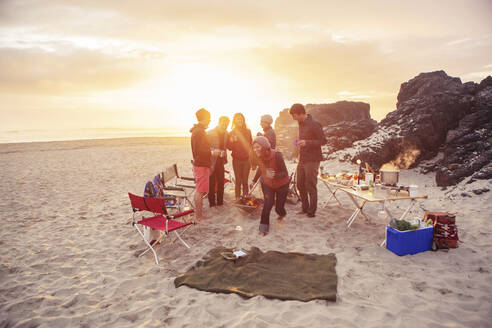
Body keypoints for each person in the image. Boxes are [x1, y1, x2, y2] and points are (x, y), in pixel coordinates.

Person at [289, 103, 327, 217]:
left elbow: (323, 141)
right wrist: (297, 143)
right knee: (300, 184)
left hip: (313, 159)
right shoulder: (300, 123)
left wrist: (307, 142)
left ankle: (311, 211)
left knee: (310, 185)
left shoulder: (315, 124)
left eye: (294, 115)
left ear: (301, 113)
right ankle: (304, 208)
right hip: (302, 159)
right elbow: (301, 140)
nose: (293, 118)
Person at [250, 136, 289, 236]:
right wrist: (254, 180)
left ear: (264, 146)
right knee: (268, 204)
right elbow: (260, 169)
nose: (255, 150)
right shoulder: (259, 157)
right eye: (254, 148)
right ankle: (263, 229)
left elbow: (285, 172)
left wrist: (275, 175)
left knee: (279, 207)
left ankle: (281, 213)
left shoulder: (277, 155)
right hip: (268, 184)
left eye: (258, 147)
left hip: (282, 184)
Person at [190, 108, 220, 220]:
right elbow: (199, 150)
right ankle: (199, 217)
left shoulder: (198, 130)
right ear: (205, 118)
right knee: (200, 191)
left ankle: (199, 215)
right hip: (200, 164)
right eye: (209, 118)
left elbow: (201, 148)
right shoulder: (199, 132)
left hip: (201, 163)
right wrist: (212, 152)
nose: (210, 120)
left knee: (200, 190)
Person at [227, 113, 253, 201]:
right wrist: (232, 141)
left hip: (247, 160)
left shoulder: (248, 131)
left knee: (245, 181)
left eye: (241, 119)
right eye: (238, 119)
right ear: (235, 121)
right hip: (236, 160)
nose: (240, 120)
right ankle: (237, 198)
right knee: (238, 180)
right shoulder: (232, 132)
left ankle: (246, 197)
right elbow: (229, 147)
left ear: (243, 120)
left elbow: (251, 145)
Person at [207, 116, 230, 208]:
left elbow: (226, 145)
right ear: (219, 122)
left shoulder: (226, 134)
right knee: (211, 183)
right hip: (211, 161)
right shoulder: (210, 133)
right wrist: (214, 151)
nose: (224, 125)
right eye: (223, 123)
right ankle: (212, 204)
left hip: (221, 160)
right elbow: (205, 148)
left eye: (226, 124)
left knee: (221, 182)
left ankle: (220, 202)